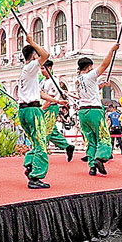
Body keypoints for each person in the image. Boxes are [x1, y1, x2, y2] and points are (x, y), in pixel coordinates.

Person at [75, 46, 119, 176]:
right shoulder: (90, 75)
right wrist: (111, 51)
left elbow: (87, 92)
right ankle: (100, 157)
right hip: (94, 110)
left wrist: (100, 86)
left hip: (83, 112)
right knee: (103, 137)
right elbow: (105, 65)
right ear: (89, 67)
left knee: (90, 139)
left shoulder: (77, 80)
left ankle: (92, 166)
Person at [19, 33, 52, 189]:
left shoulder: (26, 71)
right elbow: (46, 54)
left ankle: (30, 164)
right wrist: (32, 42)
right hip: (32, 110)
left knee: (35, 141)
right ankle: (35, 176)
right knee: (41, 143)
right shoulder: (32, 66)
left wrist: (57, 101)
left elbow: (39, 93)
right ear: (33, 56)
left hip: (24, 110)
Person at [40, 60, 76, 161]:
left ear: (49, 68)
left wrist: (41, 109)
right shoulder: (43, 81)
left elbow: (49, 98)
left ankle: (39, 152)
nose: (41, 71)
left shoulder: (53, 81)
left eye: (43, 68)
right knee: (52, 131)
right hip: (45, 106)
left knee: (45, 131)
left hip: (50, 107)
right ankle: (67, 146)